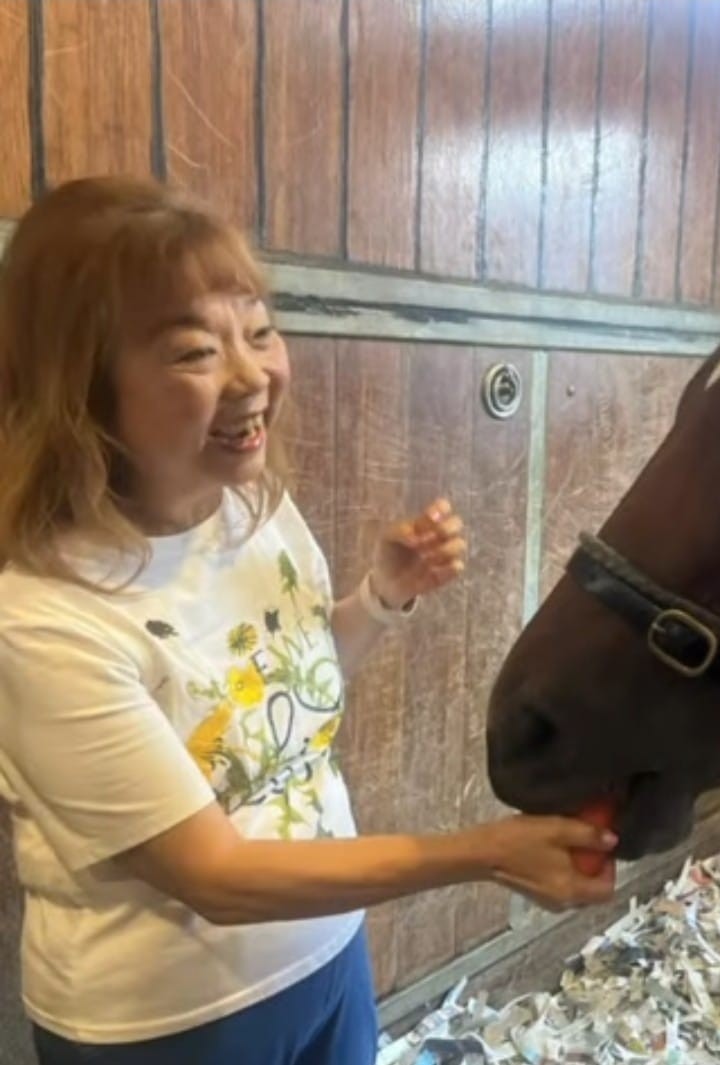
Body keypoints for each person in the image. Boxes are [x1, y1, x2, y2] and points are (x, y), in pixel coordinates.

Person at [0, 177, 618, 1065]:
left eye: (259, 331)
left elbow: (282, 694)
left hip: (327, 954)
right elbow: (213, 875)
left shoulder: (252, 510)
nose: (253, 374)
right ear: (83, 386)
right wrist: (483, 852)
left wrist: (381, 597)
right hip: (168, 1025)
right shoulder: (45, 619)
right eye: (192, 352)